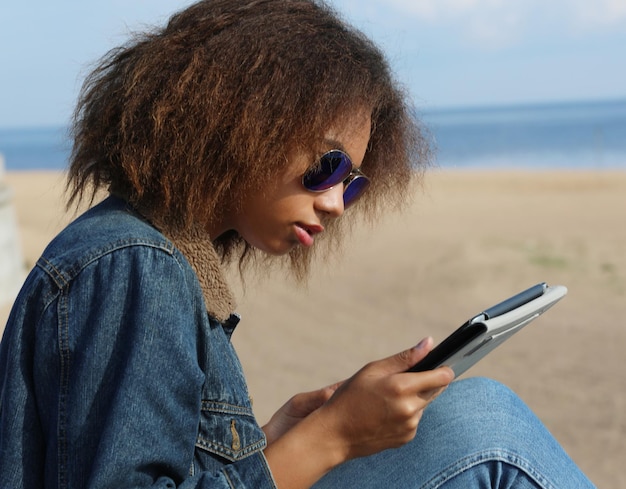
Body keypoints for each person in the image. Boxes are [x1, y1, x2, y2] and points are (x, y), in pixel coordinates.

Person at [0, 1, 595, 488]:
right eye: (327, 165)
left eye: (353, 183)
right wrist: (332, 436)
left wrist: (277, 438)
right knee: (485, 431)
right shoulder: (135, 265)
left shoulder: (152, 258)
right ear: (239, 121)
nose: (336, 201)